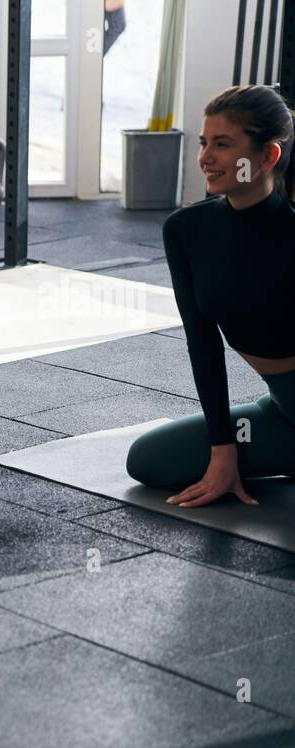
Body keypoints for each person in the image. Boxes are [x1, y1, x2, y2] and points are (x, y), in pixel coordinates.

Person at [126, 85, 295, 506]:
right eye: (204, 143)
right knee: (150, 460)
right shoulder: (186, 231)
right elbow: (202, 343)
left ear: (267, 156)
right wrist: (224, 448)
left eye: (222, 144)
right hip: (281, 406)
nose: (205, 157)